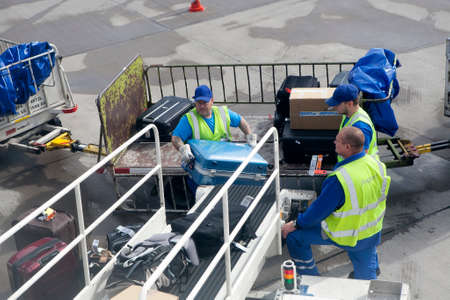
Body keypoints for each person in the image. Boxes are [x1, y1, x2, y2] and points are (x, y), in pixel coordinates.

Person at [281, 127, 390, 280]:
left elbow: (317, 213)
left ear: (347, 147)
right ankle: (367, 281)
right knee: (366, 275)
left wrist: (295, 224)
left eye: (337, 140)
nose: (334, 142)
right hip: (370, 231)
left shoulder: (340, 179)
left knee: (295, 237)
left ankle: (310, 277)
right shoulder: (377, 165)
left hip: (346, 233)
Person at [172, 84, 256, 167]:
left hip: (224, 158)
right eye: (198, 103)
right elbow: (176, 138)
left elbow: (241, 121)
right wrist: (183, 149)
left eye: (204, 103)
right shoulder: (189, 119)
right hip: (200, 163)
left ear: (212, 101)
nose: (201, 106)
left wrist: (250, 136)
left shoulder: (222, 113)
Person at [326, 84, 378, 162]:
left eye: (337, 104)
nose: (334, 106)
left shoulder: (360, 127)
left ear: (349, 103)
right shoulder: (348, 114)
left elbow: (361, 160)